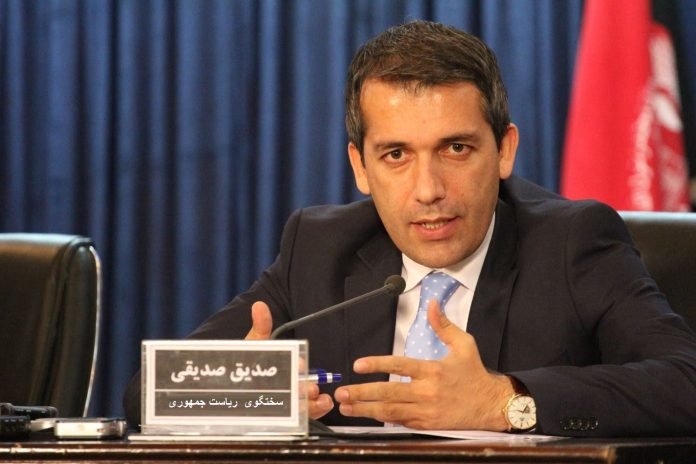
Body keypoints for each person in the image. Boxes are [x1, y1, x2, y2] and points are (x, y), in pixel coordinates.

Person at [124, 20, 696, 436]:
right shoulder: (319, 248)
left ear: (504, 151)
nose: (428, 190)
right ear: (360, 167)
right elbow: (146, 392)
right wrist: (246, 395)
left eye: (456, 148)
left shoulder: (574, 243)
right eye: (396, 155)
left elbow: (685, 383)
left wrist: (505, 402)